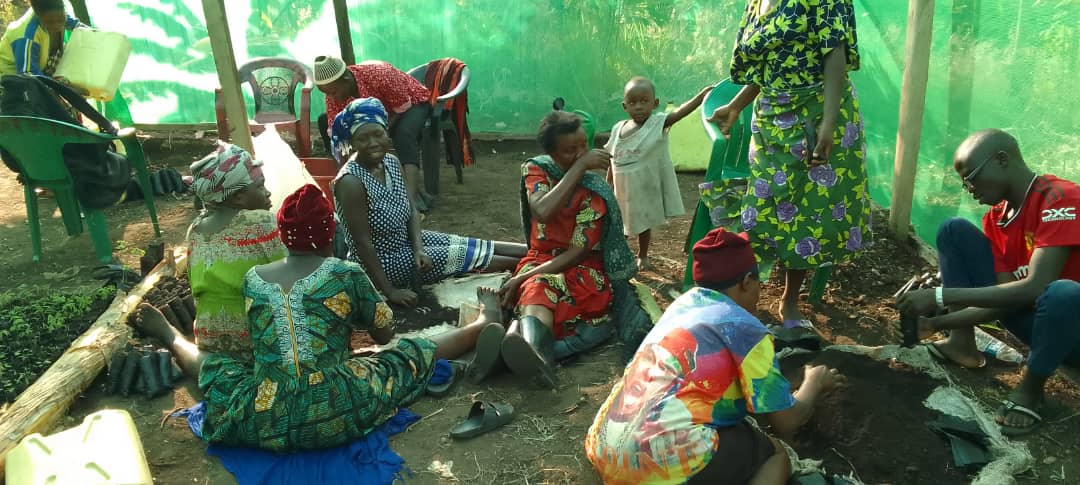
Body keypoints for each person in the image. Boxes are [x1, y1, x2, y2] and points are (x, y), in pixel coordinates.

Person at [134, 184, 495, 452]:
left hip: (266, 415)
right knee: (410, 353)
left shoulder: (254, 280)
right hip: (337, 406)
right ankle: (482, 324)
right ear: (329, 232)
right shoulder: (345, 273)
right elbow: (384, 336)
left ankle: (167, 333)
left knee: (218, 369)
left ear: (282, 234)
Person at [585, 227, 843, 485]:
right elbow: (786, 422)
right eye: (758, 284)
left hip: (607, 449)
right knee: (776, 455)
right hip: (657, 466)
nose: (759, 293)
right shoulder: (745, 329)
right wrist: (814, 382)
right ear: (747, 282)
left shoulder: (683, 306)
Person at [897, 129, 1080, 436]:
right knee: (953, 230)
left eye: (972, 177)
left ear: (1002, 160)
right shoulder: (997, 218)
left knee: (1063, 293)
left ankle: (1031, 390)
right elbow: (1005, 299)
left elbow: (1034, 287)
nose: (968, 188)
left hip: (1072, 331)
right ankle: (961, 343)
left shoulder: (1061, 200)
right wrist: (935, 325)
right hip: (1037, 322)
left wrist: (939, 297)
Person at [708, 0, 871, 332]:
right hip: (771, 117)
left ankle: (789, 300)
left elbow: (834, 55)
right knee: (760, 211)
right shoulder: (759, 3)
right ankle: (742, 293)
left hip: (816, 115)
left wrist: (827, 126)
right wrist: (736, 106)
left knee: (804, 214)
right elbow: (774, 62)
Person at [466, 111, 637, 389]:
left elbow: (578, 253)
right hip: (540, 261)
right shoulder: (536, 169)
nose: (582, 153)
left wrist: (520, 278)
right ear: (551, 154)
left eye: (584, 145)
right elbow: (542, 210)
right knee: (537, 288)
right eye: (570, 151)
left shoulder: (595, 191)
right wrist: (579, 167)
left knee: (536, 285)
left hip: (581, 268)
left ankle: (519, 355)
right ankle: (536, 358)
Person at [332, 98, 525, 307]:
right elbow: (362, 244)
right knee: (469, 256)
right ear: (352, 142)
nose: (373, 143)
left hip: (407, 240)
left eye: (378, 134)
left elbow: (412, 210)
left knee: (473, 244)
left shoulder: (391, 162)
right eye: (363, 138)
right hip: (383, 261)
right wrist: (390, 290)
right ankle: (534, 267)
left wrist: (418, 249)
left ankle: (536, 250)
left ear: (387, 132)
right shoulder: (351, 182)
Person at [187, 142, 286, 355]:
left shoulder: (194, 230)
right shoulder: (261, 223)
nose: (268, 193)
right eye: (260, 186)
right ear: (237, 197)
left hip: (207, 339)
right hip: (254, 339)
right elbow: (290, 277)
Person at [605, 77, 710, 270]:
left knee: (643, 222)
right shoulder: (617, 129)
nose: (638, 107)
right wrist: (607, 186)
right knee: (618, 223)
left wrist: (701, 97)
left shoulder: (657, 124)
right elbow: (612, 159)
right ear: (624, 106)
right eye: (633, 102)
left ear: (655, 103)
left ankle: (642, 255)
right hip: (622, 188)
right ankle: (618, 253)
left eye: (644, 101)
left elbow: (678, 114)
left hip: (643, 186)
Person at [314, 55, 432, 210]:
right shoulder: (333, 92)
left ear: (346, 80)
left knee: (403, 134)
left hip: (410, 104)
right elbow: (339, 136)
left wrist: (376, 134)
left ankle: (409, 201)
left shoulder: (379, 74)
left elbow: (402, 104)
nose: (331, 97)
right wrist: (344, 174)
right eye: (327, 93)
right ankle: (367, 186)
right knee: (325, 121)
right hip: (376, 116)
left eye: (334, 92)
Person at [0, 0, 83, 78]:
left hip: (40, 74)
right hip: (12, 83)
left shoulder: (52, 12)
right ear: (38, 16)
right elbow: (29, 76)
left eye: (60, 20)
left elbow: (78, 26)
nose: (57, 26)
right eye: (50, 22)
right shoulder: (27, 37)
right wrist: (61, 88)